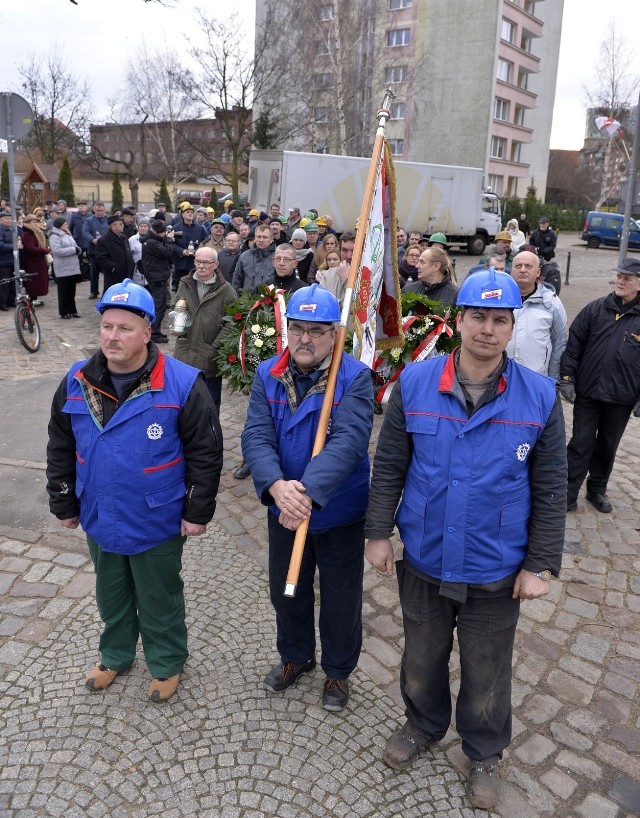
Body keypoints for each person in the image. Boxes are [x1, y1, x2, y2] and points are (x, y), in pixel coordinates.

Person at [364, 267, 566, 811]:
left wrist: (539, 564)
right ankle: (423, 725)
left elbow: (550, 488)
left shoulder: (541, 398)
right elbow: (389, 466)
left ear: (512, 326)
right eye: (478, 315)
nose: (488, 329)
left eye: (500, 319)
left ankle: (483, 751)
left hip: (495, 568)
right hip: (426, 557)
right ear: (460, 319)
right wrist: (378, 533)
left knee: (486, 670)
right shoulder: (415, 383)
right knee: (421, 657)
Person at [46, 278, 222, 703]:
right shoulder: (77, 380)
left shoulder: (181, 383)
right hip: (99, 512)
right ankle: (115, 654)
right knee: (111, 594)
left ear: (147, 332)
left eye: (125, 328)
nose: (113, 336)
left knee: (159, 596)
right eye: (107, 326)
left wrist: (197, 512)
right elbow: (60, 443)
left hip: (155, 516)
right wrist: (63, 499)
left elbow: (206, 452)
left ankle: (166, 662)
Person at [241, 284, 374, 712]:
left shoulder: (353, 377)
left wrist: (307, 493)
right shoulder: (268, 374)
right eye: (297, 328)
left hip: (337, 511)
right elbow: (257, 435)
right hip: (284, 510)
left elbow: (349, 444)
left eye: (316, 331)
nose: (304, 338)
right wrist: (277, 487)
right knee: (287, 590)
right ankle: (295, 656)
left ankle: (337, 672)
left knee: (340, 598)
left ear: (334, 335)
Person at [559, 257, 640, 514]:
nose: (620, 281)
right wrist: (567, 379)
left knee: (607, 446)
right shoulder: (596, 309)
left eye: (626, 278)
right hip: (589, 393)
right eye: (619, 276)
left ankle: (597, 490)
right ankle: (567, 494)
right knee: (580, 442)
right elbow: (574, 347)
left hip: (621, 397)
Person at [173, 246, 237, 412]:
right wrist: (177, 322)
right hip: (185, 351)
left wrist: (215, 346)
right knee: (182, 399)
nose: (201, 266)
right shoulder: (185, 283)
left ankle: (210, 434)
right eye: (198, 261)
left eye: (206, 262)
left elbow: (233, 322)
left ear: (216, 264)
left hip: (210, 355)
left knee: (210, 403)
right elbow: (176, 306)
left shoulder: (226, 290)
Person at [507, 249, 567, 379]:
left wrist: (552, 379)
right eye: (518, 266)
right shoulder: (500, 299)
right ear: (511, 271)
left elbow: (559, 342)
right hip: (502, 379)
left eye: (528, 266)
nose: (522, 270)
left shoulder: (551, 302)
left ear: (538, 272)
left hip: (536, 378)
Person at [142, 220, 174, 344]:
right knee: (159, 307)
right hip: (157, 278)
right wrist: (170, 240)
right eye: (163, 233)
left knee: (159, 305)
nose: (165, 235)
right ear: (157, 232)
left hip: (157, 276)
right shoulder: (151, 243)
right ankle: (154, 333)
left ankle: (155, 330)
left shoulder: (151, 241)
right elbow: (166, 252)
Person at [171, 202, 209, 291]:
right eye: (187, 212)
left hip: (196, 265)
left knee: (194, 289)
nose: (190, 213)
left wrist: (198, 250)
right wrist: (181, 251)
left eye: (192, 212)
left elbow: (205, 242)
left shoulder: (200, 228)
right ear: (182, 214)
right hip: (180, 265)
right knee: (180, 289)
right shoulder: (176, 228)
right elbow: (171, 244)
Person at [49, 217, 81, 319]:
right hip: (63, 267)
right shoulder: (54, 236)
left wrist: (78, 250)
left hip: (72, 266)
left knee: (72, 291)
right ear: (60, 225)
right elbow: (57, 251)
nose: (67, 225)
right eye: (65, 223)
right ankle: (64, 312)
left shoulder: (67, 233)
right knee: (63, 291)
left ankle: (73, 310)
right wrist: (73, 250)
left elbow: (75, 245)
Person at [95, 214, 135, 291]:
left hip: (126, 273)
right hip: (113, 275)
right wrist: (113, 267)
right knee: (113, 295)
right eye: (120, 224)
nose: (122, 225)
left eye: (122, 224)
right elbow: (101, 258)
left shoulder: (124, 238)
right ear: (113, 226)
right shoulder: (104, 240)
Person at [232, 224, 275, 292]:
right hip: (246, 301)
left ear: (271, 239)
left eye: (265, 237)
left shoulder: (277, 257)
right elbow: (236, 281)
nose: (261, 240)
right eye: (258, 237)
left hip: (269, 300)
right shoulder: (244, 256)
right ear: (255, 238)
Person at [21, 214, 51, 306]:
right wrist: (45, 250)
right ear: (27, 223)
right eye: (33, 222)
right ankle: (31, 299)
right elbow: (30, 248)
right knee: (33, 281)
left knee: (38, 281)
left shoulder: (37, 232)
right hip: (32, 262)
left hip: (39, 261)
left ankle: (34, 299)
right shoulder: (27, 234)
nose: (36, 224)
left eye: (36, 222)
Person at [82, 202, 109, 299]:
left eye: (101, 210)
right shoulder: (89, 220)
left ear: (104, 210)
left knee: (107, 273)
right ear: (94, 210)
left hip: (107, 251)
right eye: (98, 210)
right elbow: (85, 232)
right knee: (94, 272)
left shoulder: (108, 220)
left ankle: (107, 291)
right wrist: (93, 240)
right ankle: (94, 291)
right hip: (94, 250)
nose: (100, 212)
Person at [0, 210, 16, 311]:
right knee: (4, 284)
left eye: (10, 218)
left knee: (12, 283)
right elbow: (0, 246)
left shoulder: (11, 230)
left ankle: (11, 301)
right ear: (1, 220)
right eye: (7, 218)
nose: (9, 220)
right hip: (3, 261)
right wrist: (14, 246)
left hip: (12, 260)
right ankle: (3, 303)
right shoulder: (0, 230)